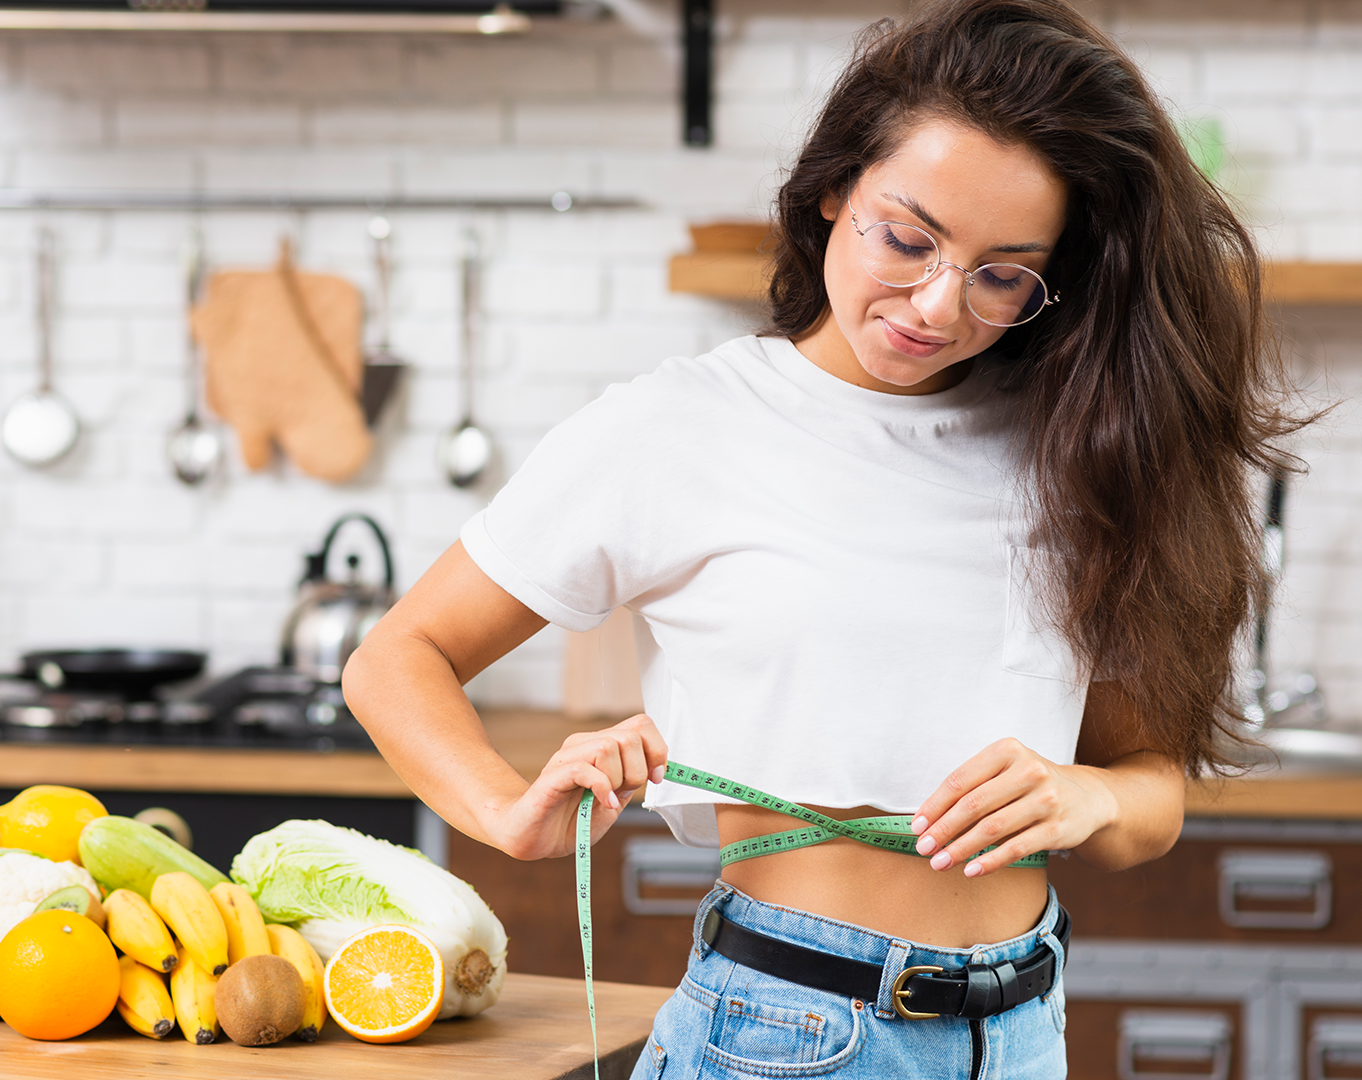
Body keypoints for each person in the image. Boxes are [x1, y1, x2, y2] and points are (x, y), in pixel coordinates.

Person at [343, 1, 1298, 1076]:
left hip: (1026, 1030)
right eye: (908, 238)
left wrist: (1089, 796)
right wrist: (503, 811)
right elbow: (396, 657)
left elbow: (1149, 787)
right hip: (793, 1032)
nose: (938, 305)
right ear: (836, 186)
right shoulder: (683, 425)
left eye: (1002, 274)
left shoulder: (1083, 446)